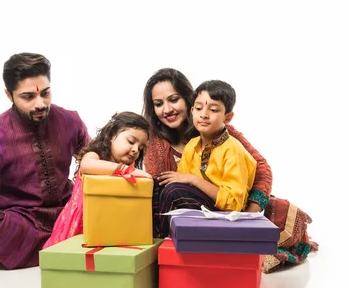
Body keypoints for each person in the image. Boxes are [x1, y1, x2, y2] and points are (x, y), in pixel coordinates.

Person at [0, 53, 91, 270]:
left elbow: (93, 159)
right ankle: (63, 244)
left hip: (66, 211)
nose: (40, 103)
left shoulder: (70, 120)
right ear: (9, 95)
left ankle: (36, 249)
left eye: (46, 93)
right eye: (28, 97)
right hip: (22, 219)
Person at [154, 80, 257, 237]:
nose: (204, 115)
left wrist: (194, 180)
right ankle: (151, 238)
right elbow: (181, 180)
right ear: (192, 110)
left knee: (173, 191)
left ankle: (162, 242)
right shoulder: (192, 145)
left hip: (223, 215)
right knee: (158, 185)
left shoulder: (233, 151)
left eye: (213, 110)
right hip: (198, 207)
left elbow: (233, 204)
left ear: (228, 118)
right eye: (199, 108)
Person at [42, 111, 153, 249]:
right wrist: (126, 170)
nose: (136, 150)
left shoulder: (128, 171)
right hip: (81, 221)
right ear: (112, 135)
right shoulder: (95, 156)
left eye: (141, 148)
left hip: (105, 222)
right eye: (131, 142)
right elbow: (87, 165)